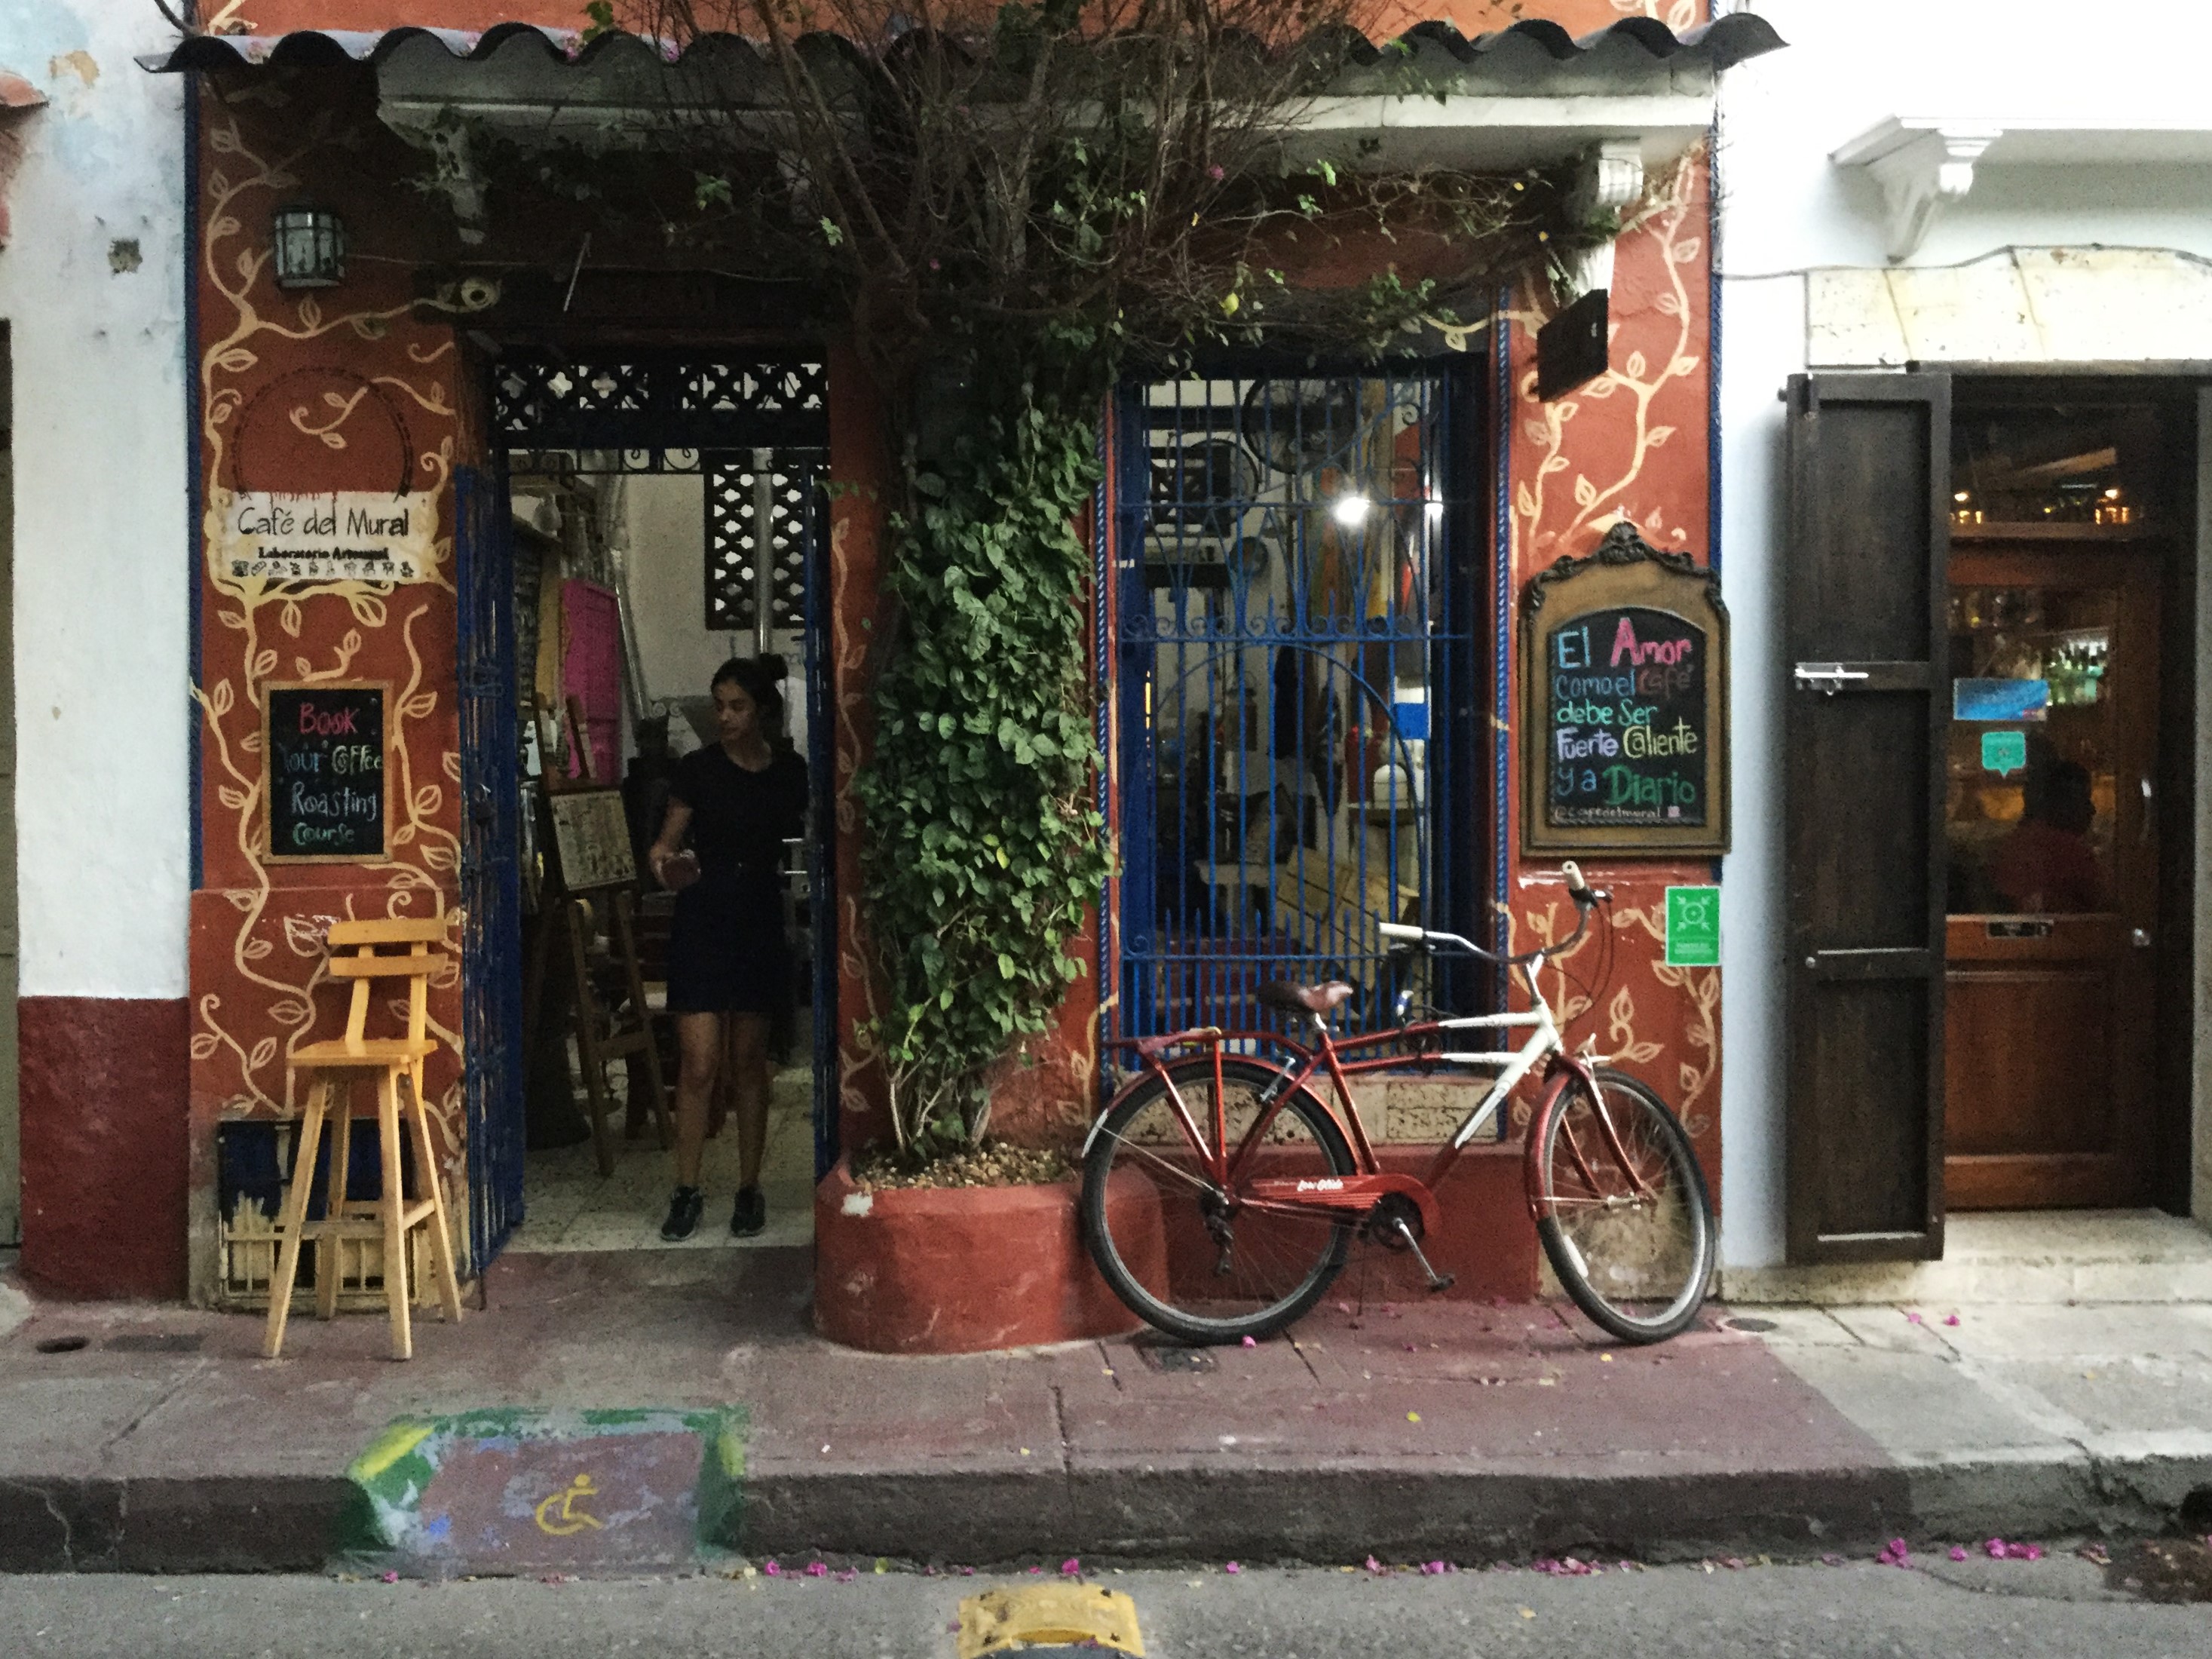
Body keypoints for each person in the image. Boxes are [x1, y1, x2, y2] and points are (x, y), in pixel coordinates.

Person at [646, 658, 807, 1240]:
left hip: (760, 912)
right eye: (719, 705)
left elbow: (826, 830)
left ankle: (748, 1188)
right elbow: (662, 848)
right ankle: (686, 1190)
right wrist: (670, 869)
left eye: (737, 706)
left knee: (748, 1066)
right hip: (704, 913)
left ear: (762, 709)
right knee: (699, 1064)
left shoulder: (791, 772)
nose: (726, 717)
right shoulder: (698, 770)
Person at [1989, 759, 2103, 915]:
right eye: (2085, 799)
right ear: (2065, 803)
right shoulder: (2074, 853)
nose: (2092, 809)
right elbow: (2105, 911)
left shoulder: (2011, 844)